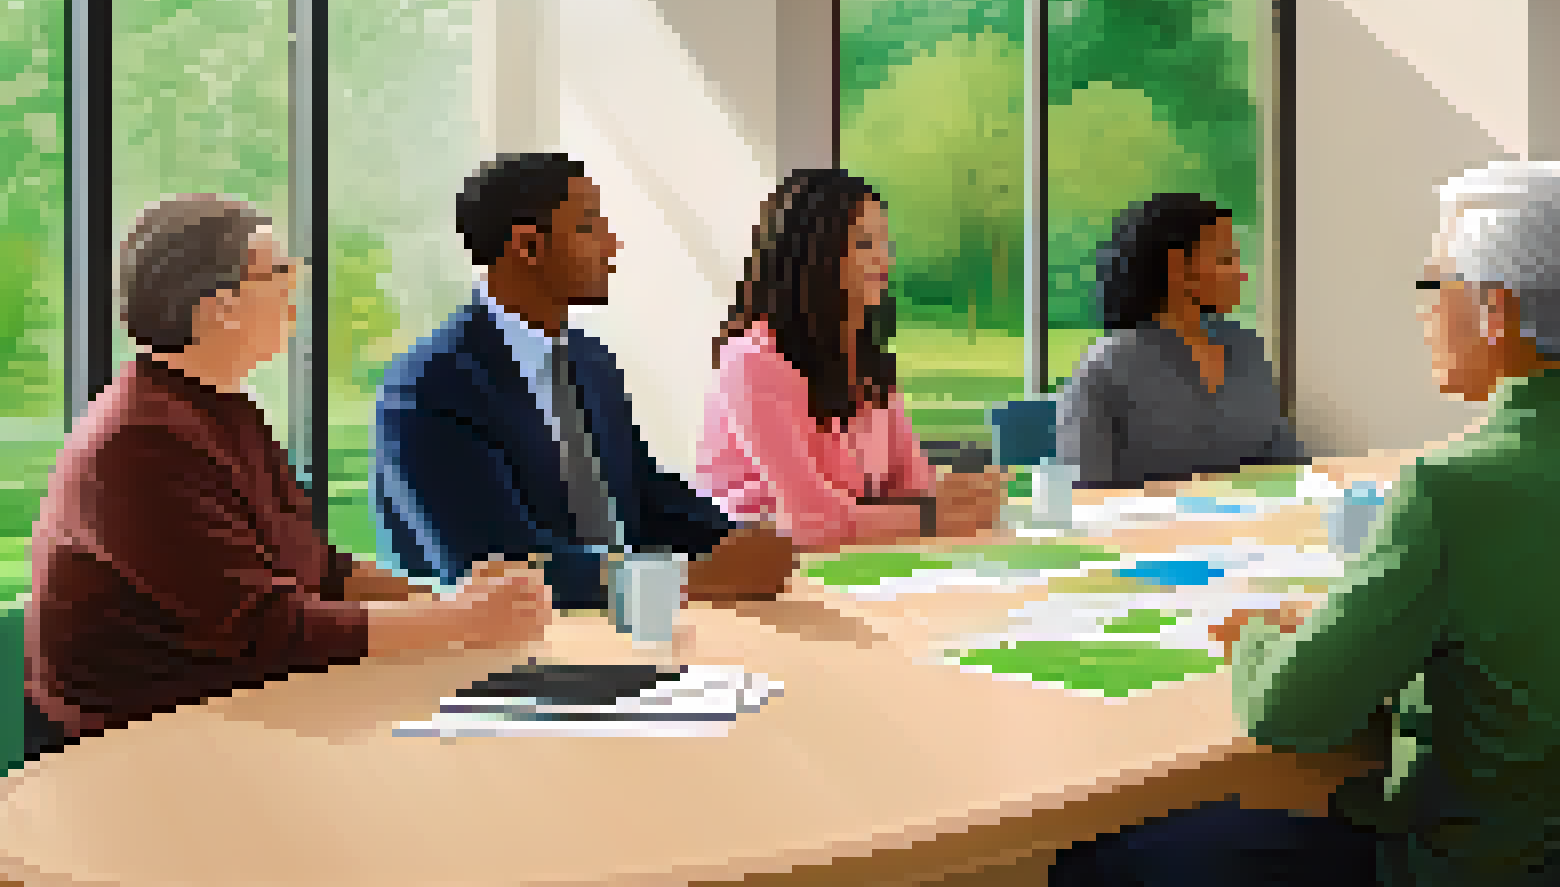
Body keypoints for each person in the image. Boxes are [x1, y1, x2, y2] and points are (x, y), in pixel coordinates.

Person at [1048, 162, 1560, 887]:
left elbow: (1288, 712)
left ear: (1494, 311)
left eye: (1432, 285)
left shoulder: (1451, 489)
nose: (1422, 312)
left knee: (1098, 863)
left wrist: (1258, 636)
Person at [26, 196, 551, 755]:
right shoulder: (138, 443)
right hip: (131, 752)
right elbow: (272, 629)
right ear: (217, 308)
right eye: (277, 270)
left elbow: (319, 568)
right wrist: (460, 622)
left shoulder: (223, 410)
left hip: (235, 719)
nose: (296, 285)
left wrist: (450, 602)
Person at [372, 154, 797, 612]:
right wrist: (685, 580)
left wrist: (738, 541)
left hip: (627, 628)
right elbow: (492, 564)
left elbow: (644, 493)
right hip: (498, 653)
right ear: (528, 247)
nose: (611, 245)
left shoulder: (591, 361)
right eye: (589, 228)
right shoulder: (426, 387)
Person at [696, 169, 1011, 548]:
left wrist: (959, 497)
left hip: (855, 560)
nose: (885, 258)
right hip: (765, 576)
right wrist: (932, 514)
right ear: (813, 255)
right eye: (864, 243)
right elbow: (809, 521)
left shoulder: (865, 361)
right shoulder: (753, 361)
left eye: (885, 240)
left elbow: (911, 485)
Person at [1057, 193, 1306, 489]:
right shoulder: (1105, 368)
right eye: (1226, 260)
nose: (1241, 275)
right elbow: (1083, 494)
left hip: (1249, 531)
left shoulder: (1246, 348)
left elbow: (1288, 468)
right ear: (1179, 268)